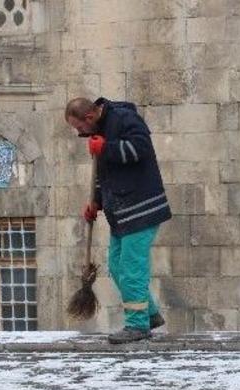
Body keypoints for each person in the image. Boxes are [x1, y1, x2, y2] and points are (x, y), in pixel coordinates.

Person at [65, 97, 172, 344]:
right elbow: (105, 173)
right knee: (116, 265)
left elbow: (140, 148)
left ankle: (137, 325)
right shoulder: (100, 130)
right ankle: (151, 315)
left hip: (140, 208)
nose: (78, 133)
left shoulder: (124, 119)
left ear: (89, 118)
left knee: (132, 268)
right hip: (120, 213)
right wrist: (97, 202)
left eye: (79, 127)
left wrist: (107, 148)